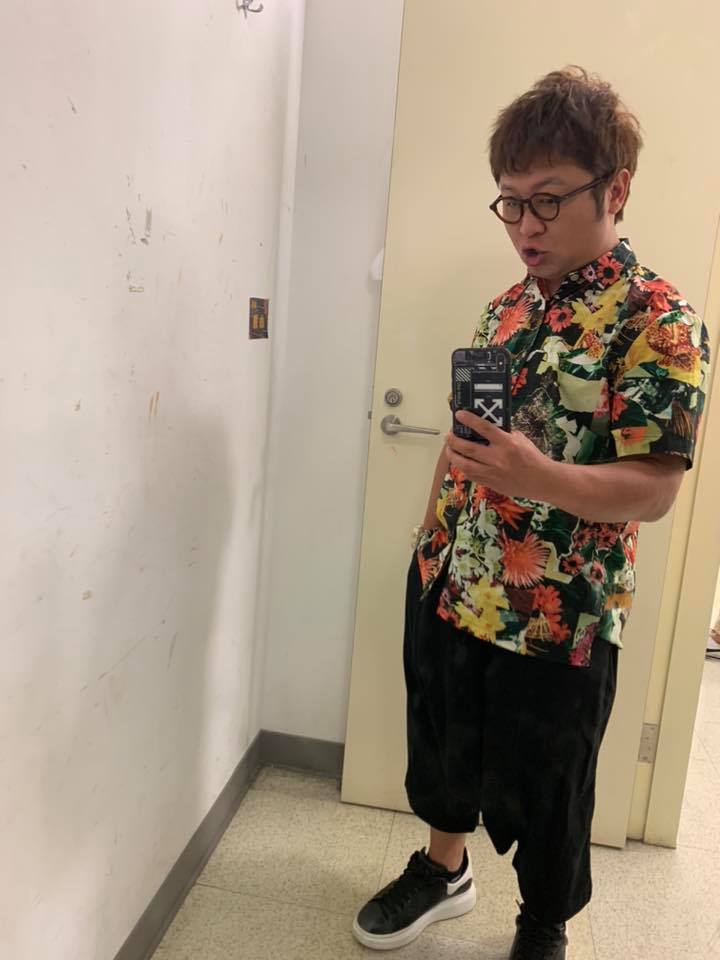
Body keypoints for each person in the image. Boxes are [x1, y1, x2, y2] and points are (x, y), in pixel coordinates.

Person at [352, 67, 710, 960]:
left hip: (560, 613)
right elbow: (465, 439)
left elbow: (655, 488)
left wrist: (534, 475)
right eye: (510, 204)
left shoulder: (661, 322)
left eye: (547, 201)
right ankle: (444, 871)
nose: (525, 227)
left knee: (551, 784)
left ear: (615, 189)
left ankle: (543, 922)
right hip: (453, 578)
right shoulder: (506, 309)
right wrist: (429, 536)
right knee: (442, 742)